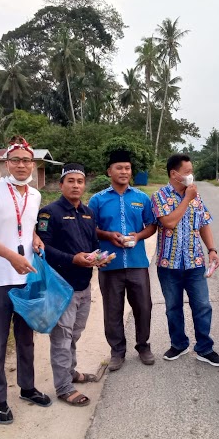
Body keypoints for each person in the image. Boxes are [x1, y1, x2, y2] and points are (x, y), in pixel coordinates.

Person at [0, 136, 51, 425]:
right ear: (6, 163)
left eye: (26, 160)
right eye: (15, 160)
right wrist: (10, 257)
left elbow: (26, 228)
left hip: (26, 277)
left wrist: (35, 238)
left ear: (33, 164)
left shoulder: (36, 195)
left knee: (26, 338)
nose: (21, 165)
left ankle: (27, 388)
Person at [36, 163, 104, 407]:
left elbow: (93, 243)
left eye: (80, 181)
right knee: (62, 337)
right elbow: (44, 249)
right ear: (61, 184)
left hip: (84, 285)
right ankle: (64, 387)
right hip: (61, 287)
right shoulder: (48, 213)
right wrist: (72, 259)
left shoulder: (87, 213)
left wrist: (99, 258)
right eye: (71, 181)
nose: (76, 185)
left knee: (74, 333)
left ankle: (70, 372)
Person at [151, 154, 219, 367]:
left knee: (202, 305)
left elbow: (203, 223)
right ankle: (179, 343)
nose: (191, 176)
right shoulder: (159, 196)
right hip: (169, 264)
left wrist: (212, 249)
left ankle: (205, 348)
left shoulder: (196, 196)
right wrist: (187, 199)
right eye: (187, 172)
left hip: (195, 262)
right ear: (174, 174)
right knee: (173, 307)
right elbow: (169, 222)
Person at [88, 149, 157, 371]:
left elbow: (151, 225)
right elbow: (90, 228)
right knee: (113, 309)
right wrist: (108, 236)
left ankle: (143, 345)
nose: (124, 171)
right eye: (119, 168)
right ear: (109, 171)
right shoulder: (97, 200)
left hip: (137, 262)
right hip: (110, 264)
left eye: (127, 168)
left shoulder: (141, 198)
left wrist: (137, 236)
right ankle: (117, 351)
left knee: (143, 306)